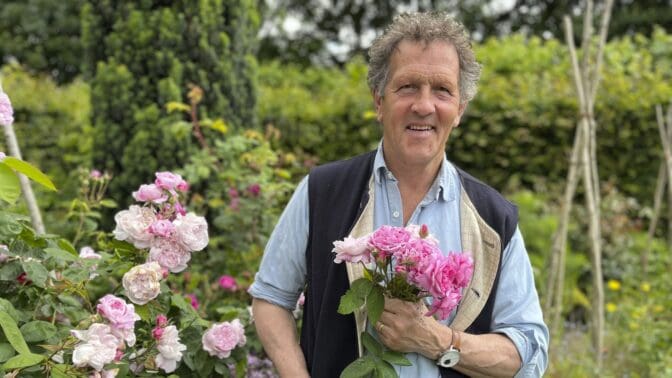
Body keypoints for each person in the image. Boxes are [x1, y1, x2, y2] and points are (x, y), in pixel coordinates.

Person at [249, 11, 549, 378]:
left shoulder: (494, 219)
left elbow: (527, 350)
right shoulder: (321, 192)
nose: (424, 105)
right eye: (407, 87)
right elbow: (270, 299)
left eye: (442, 90)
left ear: (459, 110)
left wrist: (437, 340)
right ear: (379, 101)